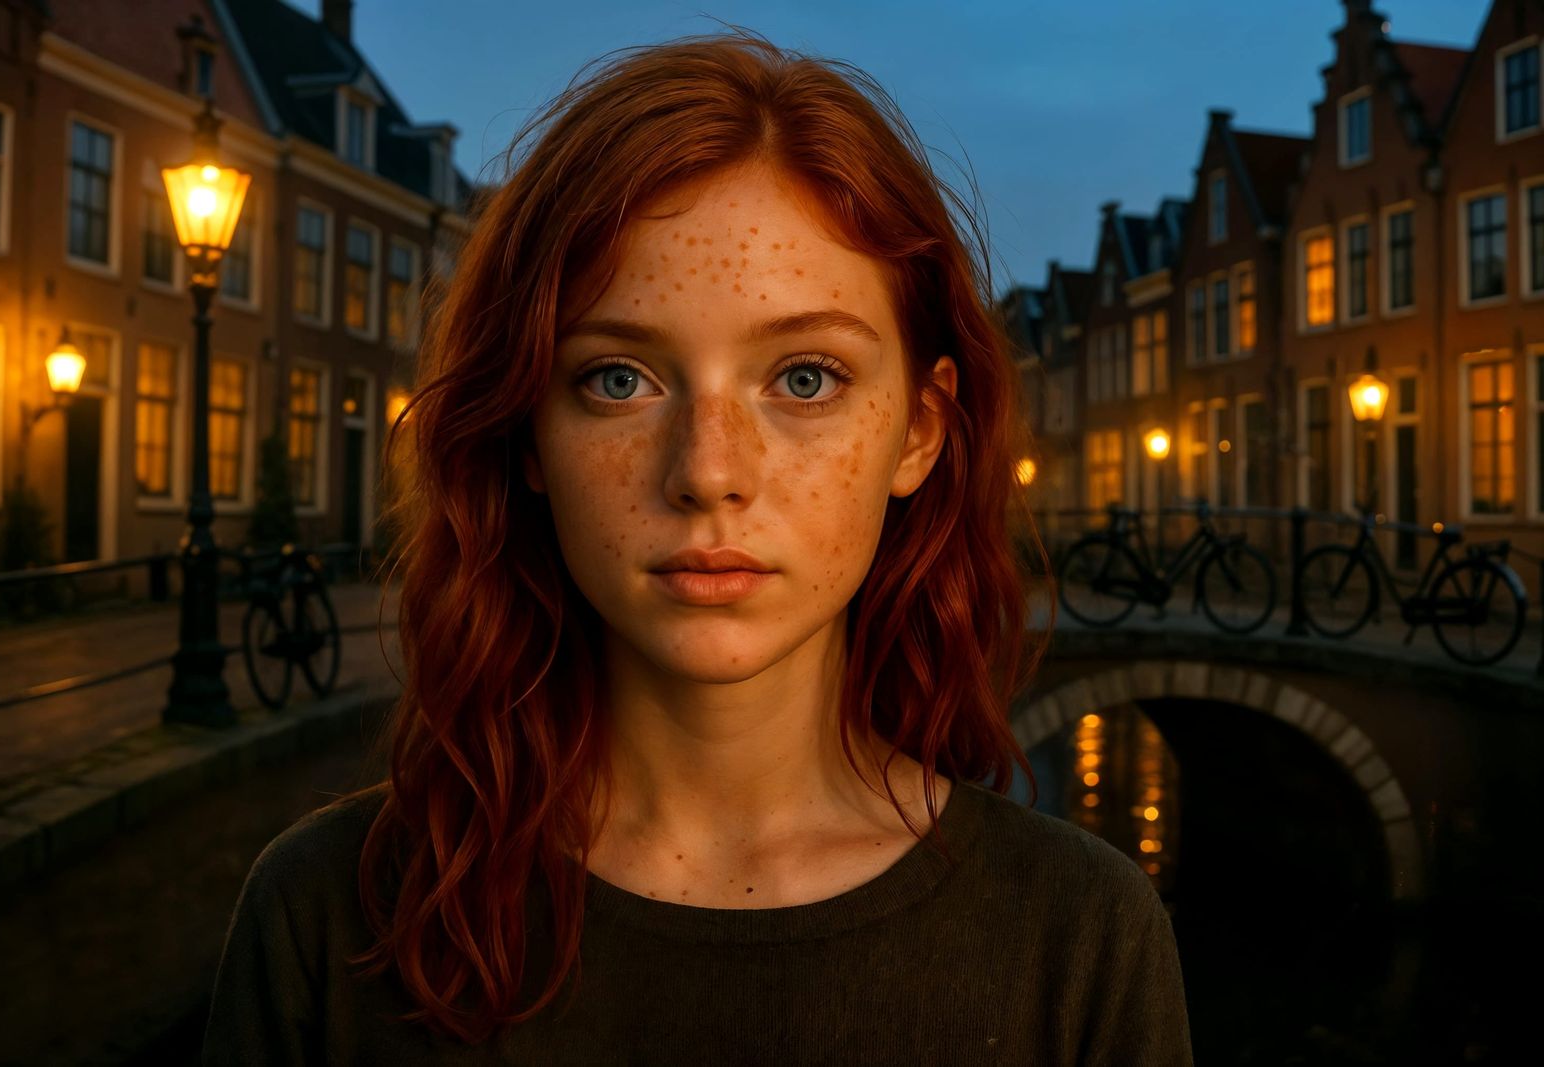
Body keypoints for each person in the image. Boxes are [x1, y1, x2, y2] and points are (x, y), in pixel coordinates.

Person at [202, 28, 1193, 1066]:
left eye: (804, 378)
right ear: (527, 431)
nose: (709, 471)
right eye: (618, 379)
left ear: (917, 432)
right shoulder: (325, 916)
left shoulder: (1080, 938)